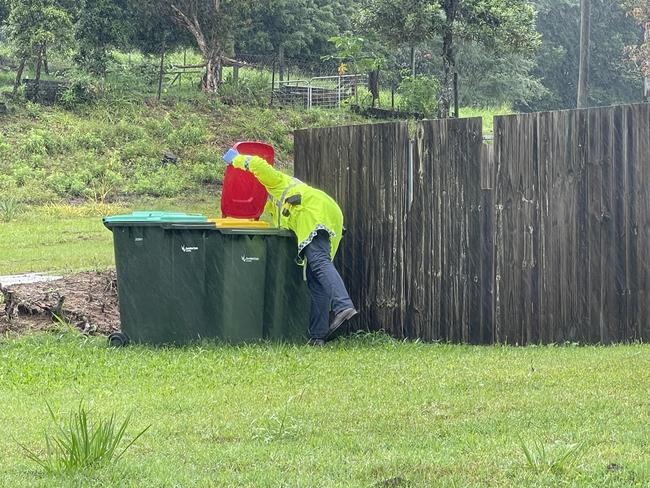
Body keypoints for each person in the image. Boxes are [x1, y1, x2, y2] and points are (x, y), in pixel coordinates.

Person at [223, 147, 357, 346]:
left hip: (312, 211)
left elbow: (258, 164)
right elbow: (265, 213)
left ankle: (343, 306)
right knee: (316, 279)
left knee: (319, 263)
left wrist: (236, 159)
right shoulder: (274, 203)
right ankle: (318, 336)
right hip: (329, 213)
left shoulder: (276, 183)